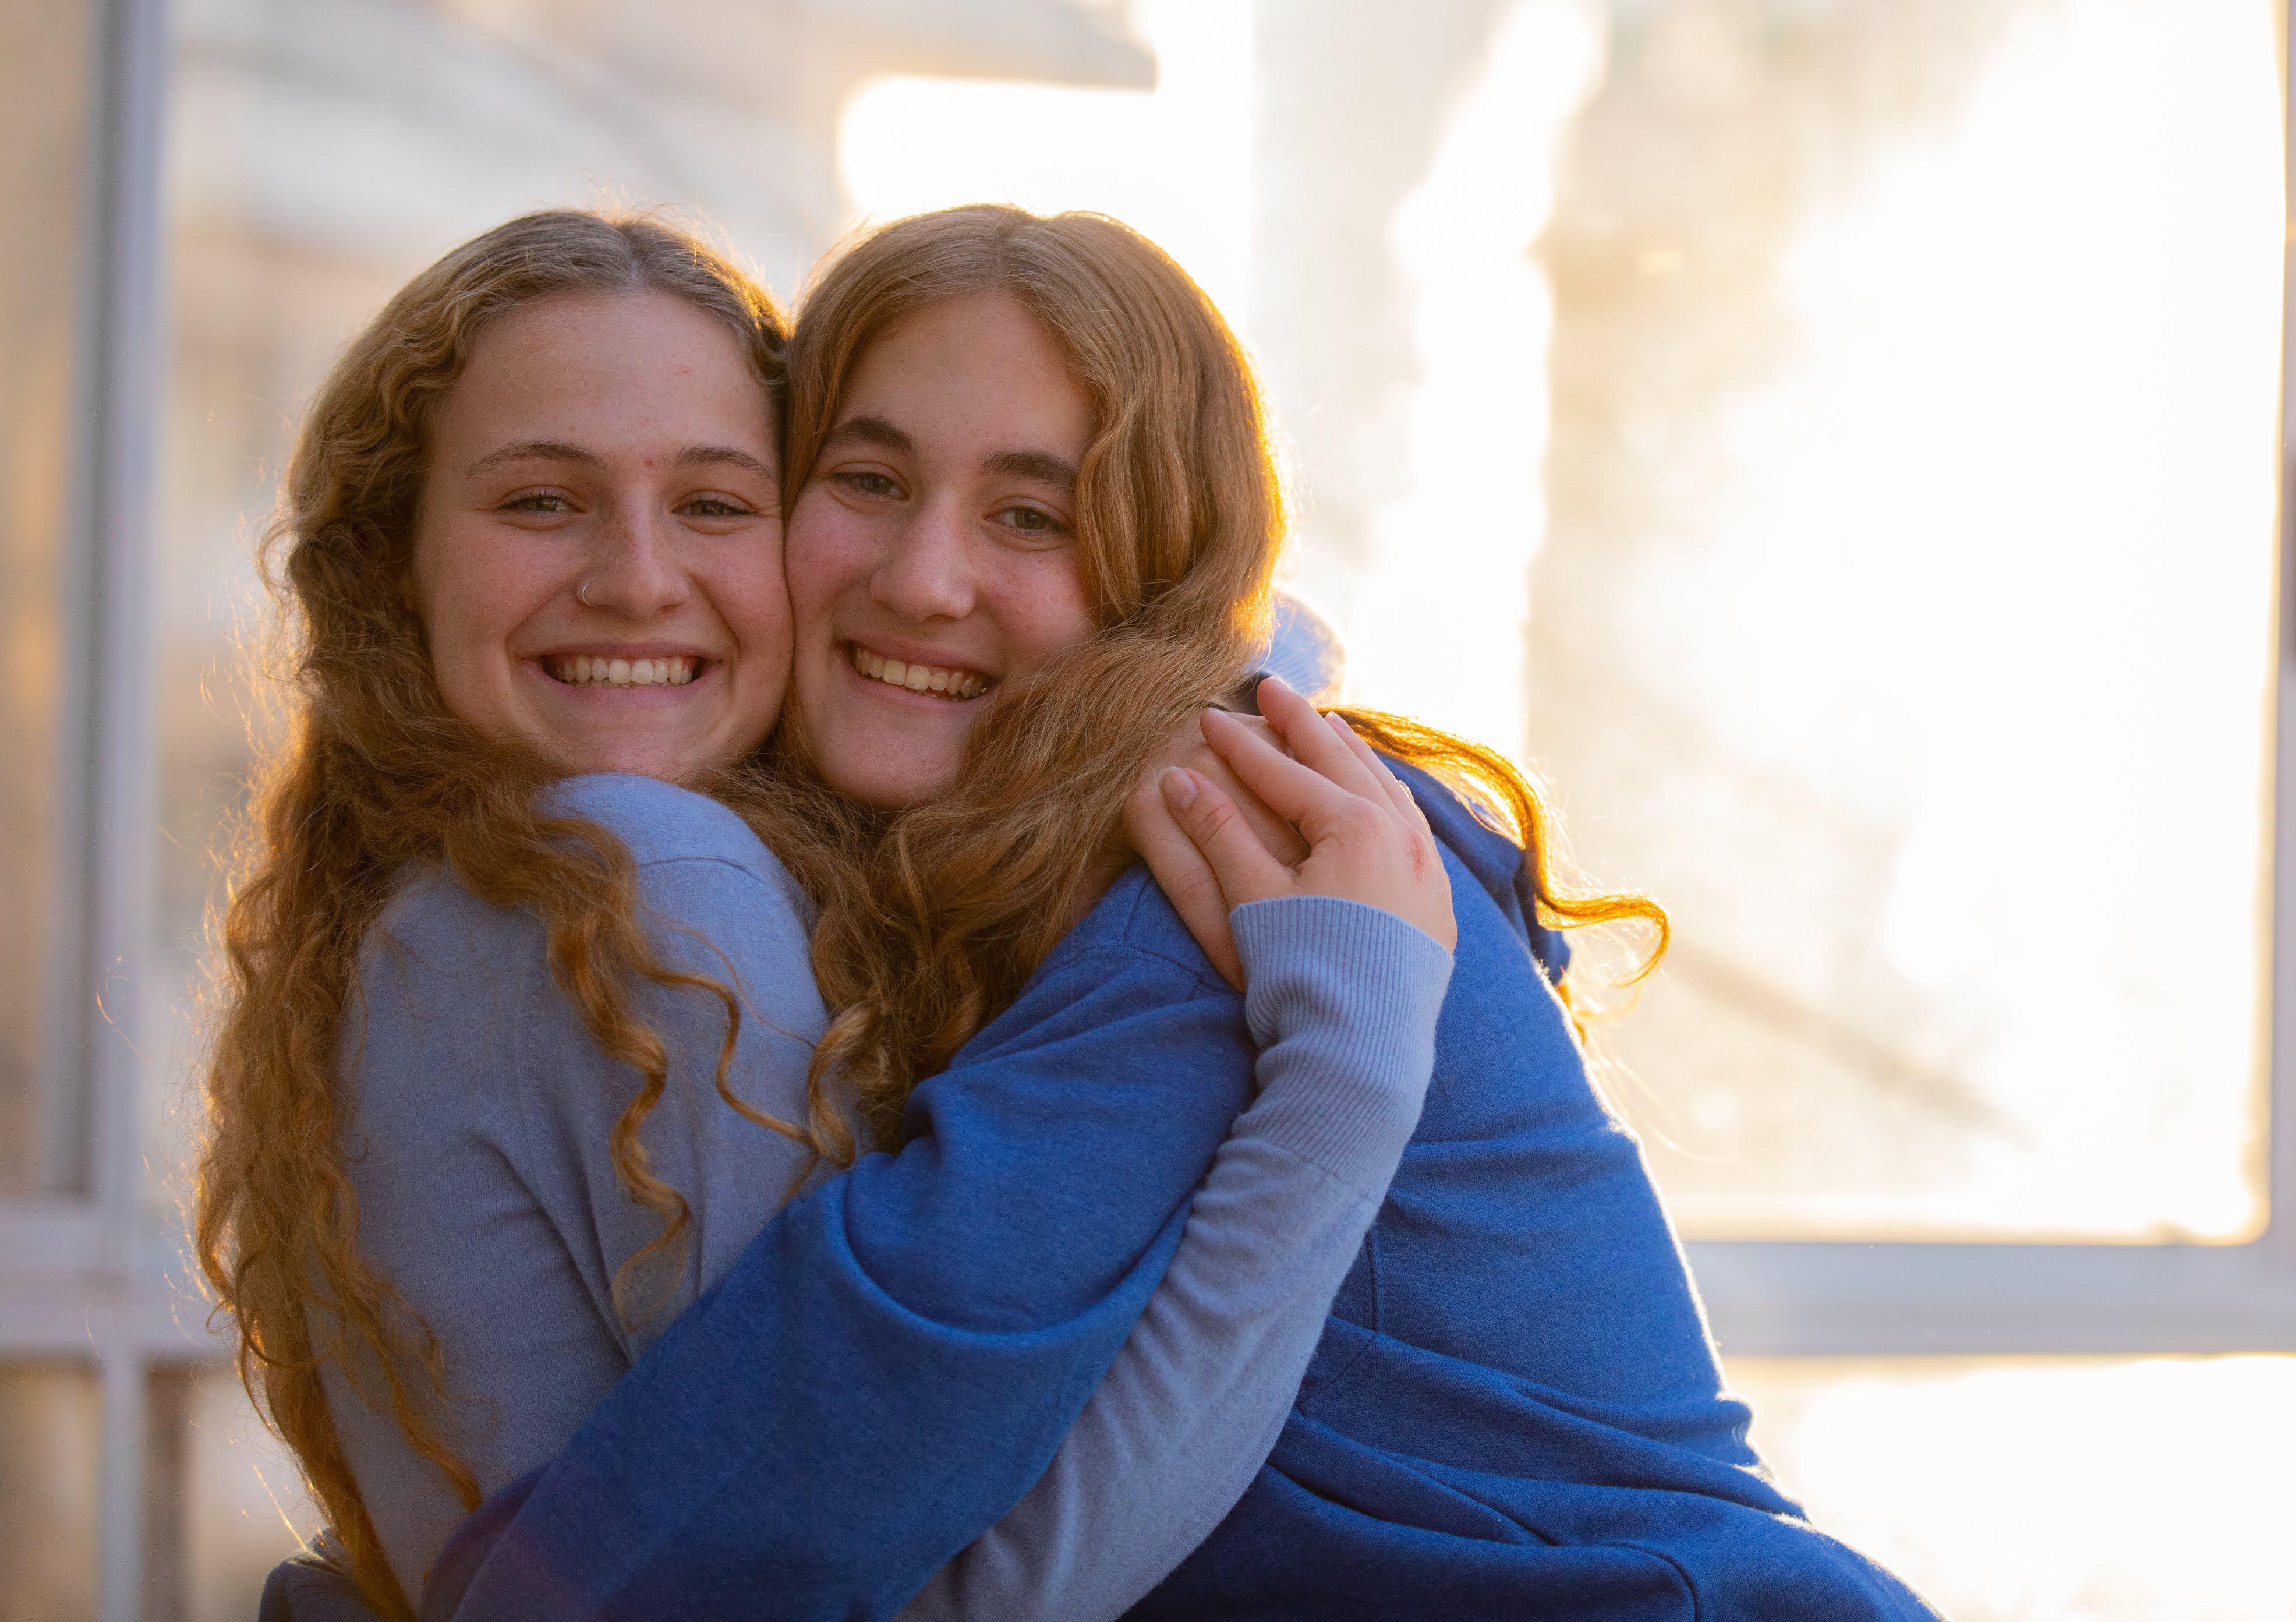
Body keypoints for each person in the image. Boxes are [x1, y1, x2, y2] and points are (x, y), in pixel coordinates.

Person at [420, 204, 1938, 1621]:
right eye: (869, 480)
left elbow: (851, 1406)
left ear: (1154, 572)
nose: (925, 576)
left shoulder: (1227, 855)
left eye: (1033, 516)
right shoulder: (983, 882)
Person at [193, 211, 1458, 1622]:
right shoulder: (640, 873)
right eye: (541, 500)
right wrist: (1347, 1085)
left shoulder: (434, 904)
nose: (637, 576)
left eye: (717, 503)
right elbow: (937, 1593)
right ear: (390, 562)